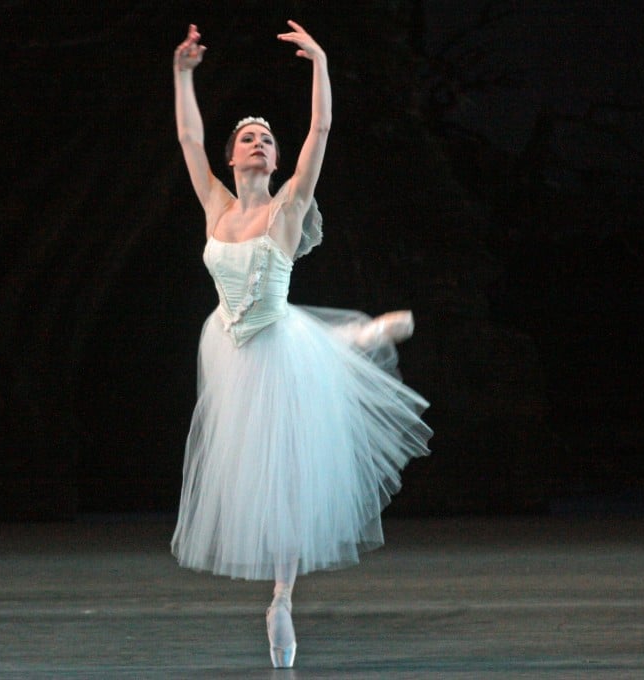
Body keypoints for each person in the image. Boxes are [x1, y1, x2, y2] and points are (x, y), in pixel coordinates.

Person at [169, 21, 432, 669]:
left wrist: (319, 60)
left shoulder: (287, 207)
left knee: (286, 480)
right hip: (233, 347)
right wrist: (183, 73)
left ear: (276, 160)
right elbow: (187, 136)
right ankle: (354, 337)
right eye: (247, 138)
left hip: (278, 346)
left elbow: (320, 131)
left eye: (265, 139)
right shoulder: (216, 206)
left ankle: (281, 598)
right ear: (233, 156)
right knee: (251, 473)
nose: (257, 144)